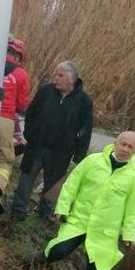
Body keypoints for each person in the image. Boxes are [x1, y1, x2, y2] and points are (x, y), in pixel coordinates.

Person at [34, 131, 135, 270]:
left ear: (134, 151)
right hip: (79, 221)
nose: (125, 149)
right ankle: (34, 262)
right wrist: (62, 208)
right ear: (115, 143)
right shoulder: (93, 161)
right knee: (58, 249)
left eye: (130, 147)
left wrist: (129, 235)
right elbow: (71, 185)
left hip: (105, 233)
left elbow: (134, 208)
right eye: (123, 144)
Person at [11, 60, 93, 220]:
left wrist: (79, 154)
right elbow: (31, 112)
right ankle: (18, 209)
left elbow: (86, 129)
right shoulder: (46, 91)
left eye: (60, 75)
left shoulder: (83, 101)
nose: (56, 78)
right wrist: (30, 134)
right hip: (37, 144)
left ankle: (46, 212)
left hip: (62, 150)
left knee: (54, 182)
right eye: (56, 74)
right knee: (26, 177)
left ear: (72, 79)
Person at [0, 37, 31, 214]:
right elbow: (22, 104)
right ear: (19, 56)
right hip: (5, 119)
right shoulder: (21, 74)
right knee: (4, 159)